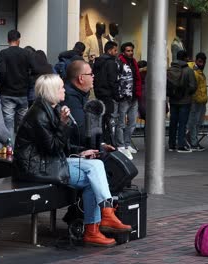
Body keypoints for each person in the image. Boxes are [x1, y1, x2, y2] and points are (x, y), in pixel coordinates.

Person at [13, 74, 132, 247]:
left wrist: (81, 152)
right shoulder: (38, 115)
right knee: (94, 175)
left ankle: (98, 223)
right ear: (52, 91)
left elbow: (61, 146)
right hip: (36, 167)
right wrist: (63, 124)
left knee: (95, 168)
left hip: (48, 161)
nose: (64, 90)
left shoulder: (50, 109)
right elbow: (53, 147)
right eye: (61, 87)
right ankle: (98, 222)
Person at [0, 29, 34, 136]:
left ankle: (10, 149)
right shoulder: (26, 53)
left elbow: (2, 72)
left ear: (8, 40)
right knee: (22, 124)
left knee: (8, 124)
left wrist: (2, 86)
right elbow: (32, 71)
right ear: (18, 40)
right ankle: (21, 149)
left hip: (7, 93)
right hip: (22, 93)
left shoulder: (3, 53)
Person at [114, 42, 142, 159]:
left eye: (131, 50)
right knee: (121, 122)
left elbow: (137, 78)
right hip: (124, 96)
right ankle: (120, 145)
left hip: (134, 95)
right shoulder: (119, 62)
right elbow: (118, 79)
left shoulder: (134, 62)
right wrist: (120, 94)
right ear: (123, 52)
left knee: (132, 122)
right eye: (128, 51)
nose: (130, 53)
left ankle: (127, 144)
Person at [167, 50, 196, 153]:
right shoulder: (189, 70)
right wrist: (187, 92)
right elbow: (193, 86)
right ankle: (181, 145)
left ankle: (171, 145)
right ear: (185, 58)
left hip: (173, 100)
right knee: (182, 123)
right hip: (185, 100)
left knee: (173, 123)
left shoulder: (170, 69)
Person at [93, 41, 119, 145]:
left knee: (102, 119)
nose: (116, 52)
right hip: (108, 95)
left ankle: (102, 141)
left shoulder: (98, 62)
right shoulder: (111, 63)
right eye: (115, 50)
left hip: (99, 93)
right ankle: (109, 143)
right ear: (109, 50)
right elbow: (112, 80)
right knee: (109, 120)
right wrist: (116, 95)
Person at [187, 52, 208, 152]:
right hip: (196, 100)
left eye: (203, 62)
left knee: (196, 122)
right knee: (195, 122)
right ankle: (193, 142)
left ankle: (191, 140)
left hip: (200, 100)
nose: (202, 64)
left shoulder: (198, 71)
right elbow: (194, 87)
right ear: (196, 60)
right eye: (200, 61)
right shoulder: (195, 72)